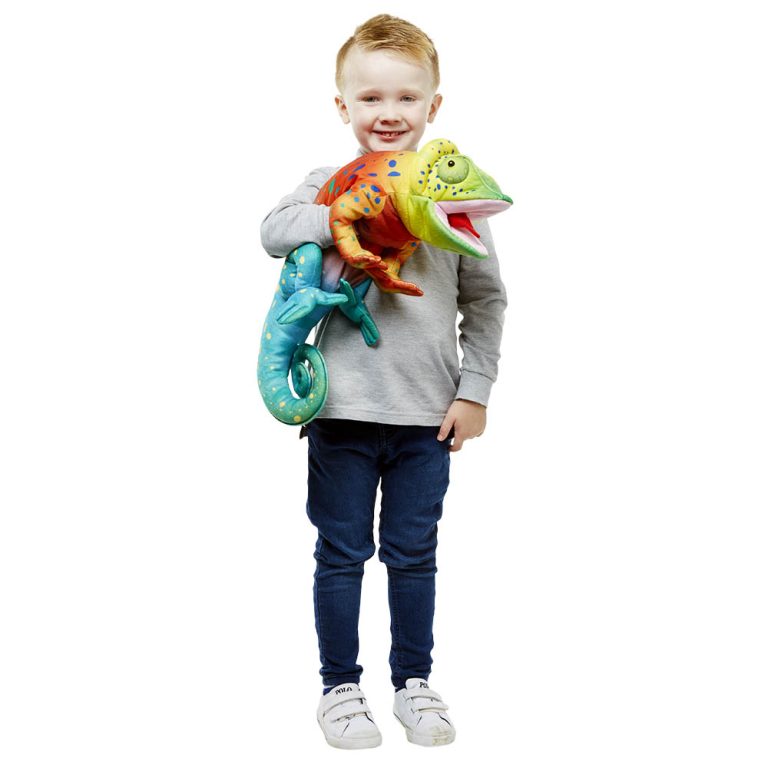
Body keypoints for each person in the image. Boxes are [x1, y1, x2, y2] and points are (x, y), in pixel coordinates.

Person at [260, 14, 508, 749]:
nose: (389, 112)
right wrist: (337, 210)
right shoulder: (329, 181)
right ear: (344, 106)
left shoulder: (454, 198)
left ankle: (414, 683)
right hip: (340, 408)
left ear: (434, 106)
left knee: (413, 554)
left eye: (406, 97)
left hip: (427, 416)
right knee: (341, 554)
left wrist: (475, 390)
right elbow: (273, 230)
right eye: (370, 98)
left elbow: (487, 301)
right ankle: (339, 687)